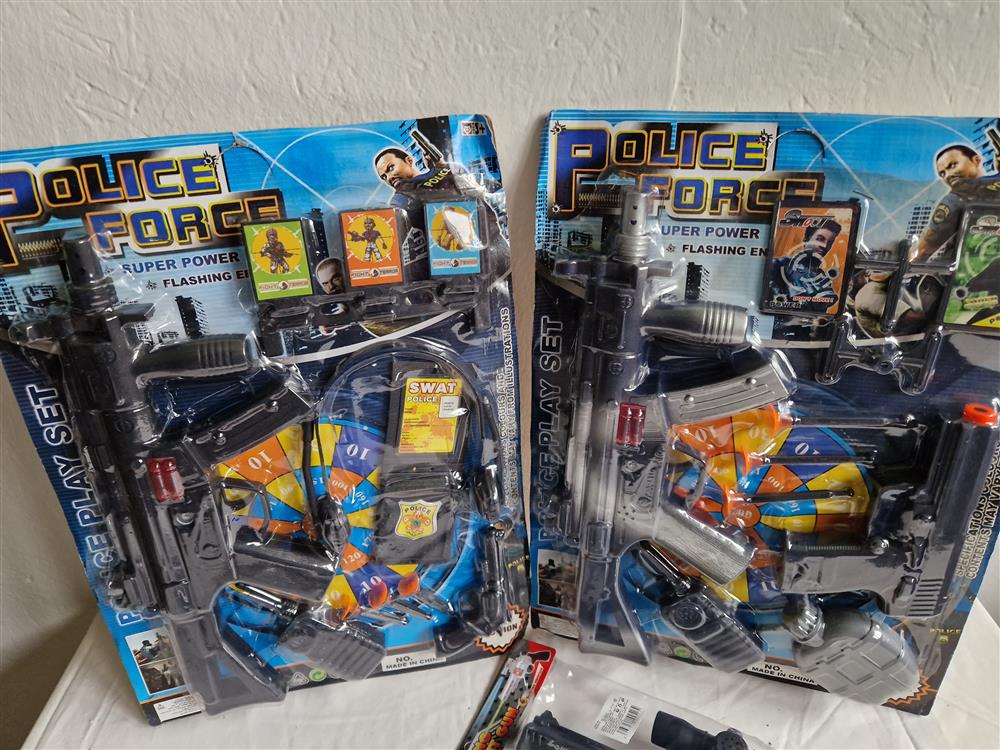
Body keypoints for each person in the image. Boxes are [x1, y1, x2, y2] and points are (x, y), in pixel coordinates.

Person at [915, 143, 1000, 262]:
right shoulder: (958, 197)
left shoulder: (958, 195)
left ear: (976, 160)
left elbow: (923, 251)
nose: (948, 175)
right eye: (942, 173)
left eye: (952, 165)